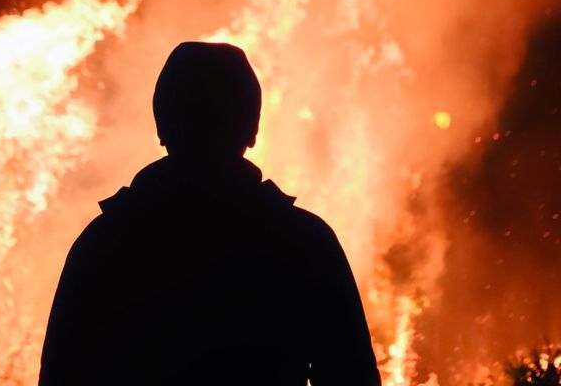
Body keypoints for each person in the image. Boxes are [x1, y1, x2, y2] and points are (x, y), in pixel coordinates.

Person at [39, 41, 382, 385]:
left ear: (162, 125)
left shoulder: (104, 242)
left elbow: (61, 374)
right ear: (252, 129)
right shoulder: (306, 242)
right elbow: (352, 375)